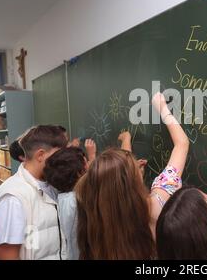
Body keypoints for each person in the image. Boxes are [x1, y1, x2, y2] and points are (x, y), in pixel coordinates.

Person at [75, 92, 189, 259]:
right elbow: (182, 144)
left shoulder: (96, 230)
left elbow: (115, 179)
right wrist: (163, 108)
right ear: (134, 180)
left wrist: (127, 141)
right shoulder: (156, 204)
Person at [0, 125, 68, 260]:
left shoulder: (50, 185)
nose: (64, 161)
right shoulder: (13, 200)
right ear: (41, 155)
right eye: (59, 155)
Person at [43, 140, 96, 260]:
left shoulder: (60, 198)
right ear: (78, 173)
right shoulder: (78, 201)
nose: (88, 166)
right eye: (86, 163)